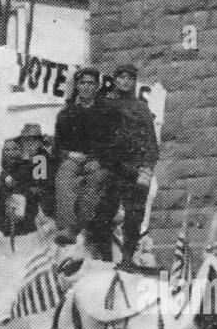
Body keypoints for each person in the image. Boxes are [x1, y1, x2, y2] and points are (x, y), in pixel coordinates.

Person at [96, 63, 159, 262]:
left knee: (135, 216)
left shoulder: (141, 108)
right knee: (104, 213)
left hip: (135, 169)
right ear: (115, 80)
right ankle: (105, 257)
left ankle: (128, 256)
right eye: (121, 77)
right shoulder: (105, 105)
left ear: (133, 82)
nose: (125, 81)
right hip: (112, 167)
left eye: (129, 78)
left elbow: (151, 143)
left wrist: (147, 169)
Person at [53, 67, 112, 251]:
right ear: (77, 86)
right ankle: (66, 226)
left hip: (98, 160)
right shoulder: (66, 114)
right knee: (63, 175)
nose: (86, 87)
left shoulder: (106, 113)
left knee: (95, 182)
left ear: (97, 87)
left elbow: (114, 144)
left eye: (90, 83)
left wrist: (99, 161)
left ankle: (78, 227)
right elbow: (57, 146)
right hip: (75, 158)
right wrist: (70, 155)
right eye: (82, 83)